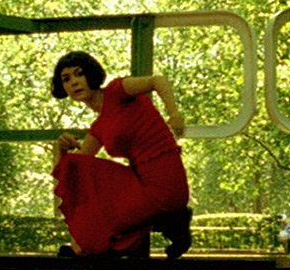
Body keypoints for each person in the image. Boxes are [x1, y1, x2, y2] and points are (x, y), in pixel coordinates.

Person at [50, 50, 192, 258]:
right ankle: (85, 246)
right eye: (66, 79)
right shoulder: (99, 126)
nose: (73, 82)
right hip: (142, 181)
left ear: (91, 74)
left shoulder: (118, 90)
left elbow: (157, 81)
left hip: (165, 178)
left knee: (108, 222)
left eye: (79, 74)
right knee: (77, 167)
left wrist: (174, 114)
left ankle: (85, 247)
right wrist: (60, 148)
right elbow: (74, 169)